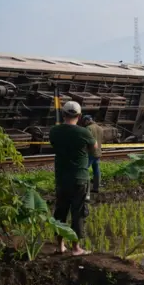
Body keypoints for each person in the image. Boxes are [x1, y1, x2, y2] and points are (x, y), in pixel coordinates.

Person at [49, 101, 97, 256]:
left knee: (60, 212)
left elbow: (54, 145)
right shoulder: (84, 133)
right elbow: (94, 148)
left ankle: (60, 246)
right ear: (79, 116)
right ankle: (76, 248)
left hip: (61, 179)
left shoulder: (54, 131)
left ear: (63, 114)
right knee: (78, 213)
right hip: (79, 178)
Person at [82, 115, 104, 195]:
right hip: (98, 153)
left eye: (84, 121)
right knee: (97, 170)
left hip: (90, 153)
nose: (84, 123)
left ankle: (84, 189)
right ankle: (96, 188)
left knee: (84, 169)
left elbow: (86, 141)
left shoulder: (88, 128)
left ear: (87, 120)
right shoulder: (100, 128)